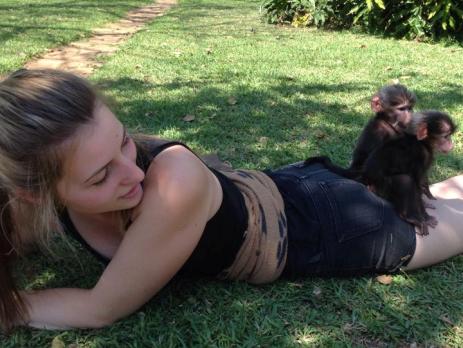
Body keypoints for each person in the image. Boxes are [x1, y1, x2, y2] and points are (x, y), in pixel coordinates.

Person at [0, 69, 462, 332]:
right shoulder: (24, 191)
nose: (134, 170)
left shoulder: (172, 181)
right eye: (102, 175)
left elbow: (100, 308)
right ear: (32, 193)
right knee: (445, 194)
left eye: (124, 142)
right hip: (286, 191)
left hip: (329, 227)